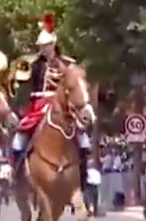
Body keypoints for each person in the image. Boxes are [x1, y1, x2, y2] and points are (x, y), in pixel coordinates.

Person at [10, 14, 90, 189]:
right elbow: (26, 89)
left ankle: (84, 175)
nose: (44, 49)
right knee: (18, 139)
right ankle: (16, 175)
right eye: (42, 46)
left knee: (84, 140)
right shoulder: (34, 64)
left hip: (63, 105)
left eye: (47, 45)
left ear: (53, 44)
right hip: (39, 104)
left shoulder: (67, 63)